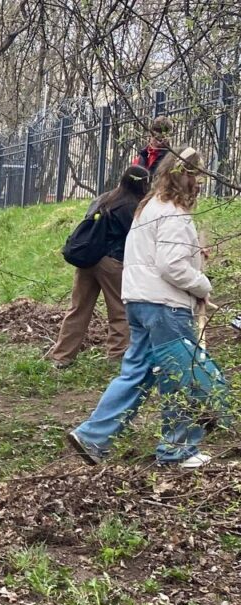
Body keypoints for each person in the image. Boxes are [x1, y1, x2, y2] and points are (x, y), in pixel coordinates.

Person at [67, 147, 213, 469]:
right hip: (165, 307)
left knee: (135, 372)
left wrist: (193, 257)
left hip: (138, 302)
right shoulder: (174, 212)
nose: (200, 184)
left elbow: (157, 257)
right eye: (198, 176)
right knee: (180, 376)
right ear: (186, 177)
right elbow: (171, 267)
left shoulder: (148, 207)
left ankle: (92, 436)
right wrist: (202, 284)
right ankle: (178, 450)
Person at [50, 165, 151, 368]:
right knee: (119, 310)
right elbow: (137, 236)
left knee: (78, 309)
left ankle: (62, 357)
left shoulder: (103, 199)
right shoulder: (131, 206)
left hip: (87, 259)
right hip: (112, 263)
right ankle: (117, 356)